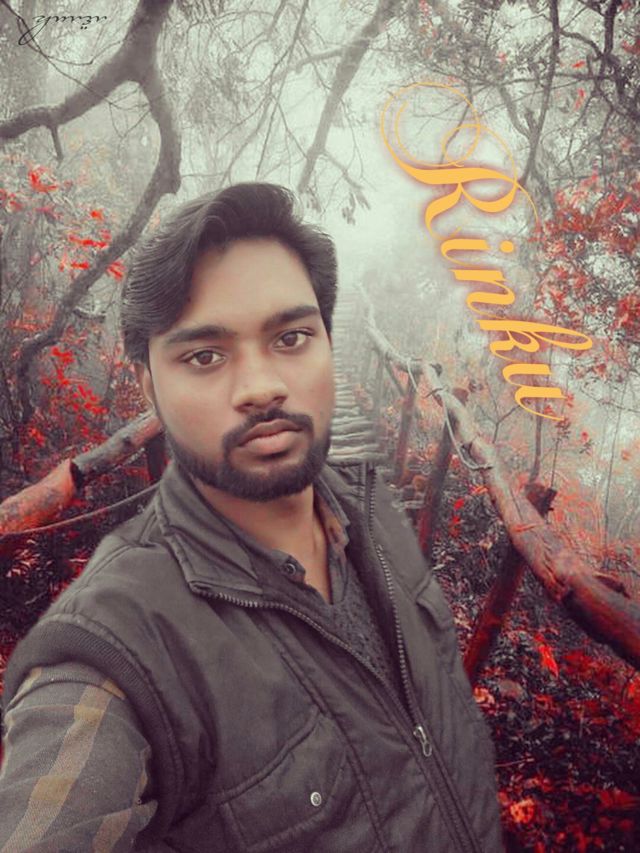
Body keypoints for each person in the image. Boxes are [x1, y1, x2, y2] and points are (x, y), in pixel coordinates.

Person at [0, 183, 503, 851]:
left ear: (329, 342)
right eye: (204, 356)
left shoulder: (371, 508)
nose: (263, 386)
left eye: (292, 337)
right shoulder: (119, 649)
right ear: (150, 388)